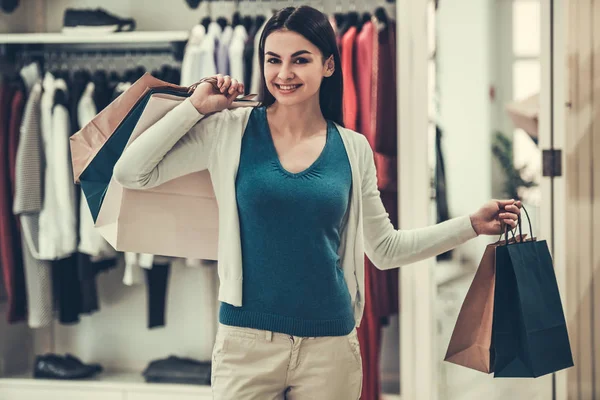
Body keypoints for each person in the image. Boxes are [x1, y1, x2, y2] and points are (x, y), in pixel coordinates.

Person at [113, 6, 521, 400]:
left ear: (328, 65)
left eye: (300, 60)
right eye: (273, 60)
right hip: (246, 346)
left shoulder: (353, 148)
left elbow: (385, 249)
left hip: (330, 348)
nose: (284, 73)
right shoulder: (229, 131)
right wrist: (194, 107)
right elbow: (132, 171)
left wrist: (470, 224)